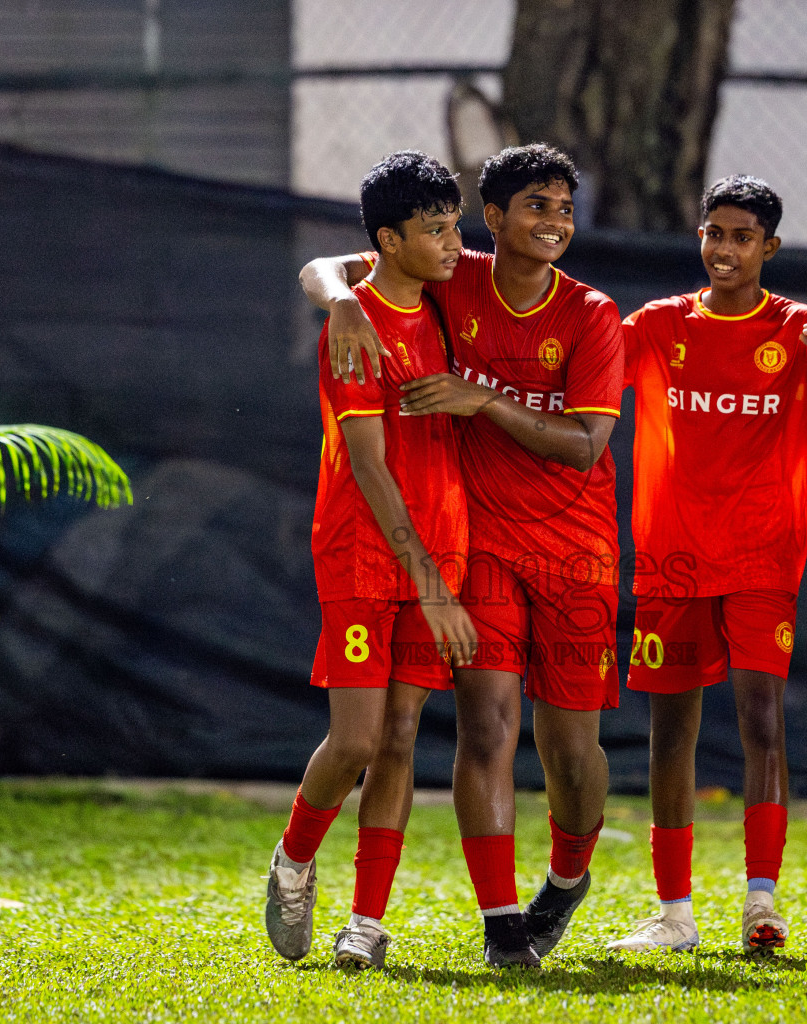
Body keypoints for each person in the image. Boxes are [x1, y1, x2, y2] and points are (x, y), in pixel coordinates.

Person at [299, 144, 624, 968]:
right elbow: (336, 260)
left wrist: (487, 400)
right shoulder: (456, 275)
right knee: (481, 727)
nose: (553, 223)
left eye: (563, 209)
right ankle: (501, 922)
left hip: (577, 552)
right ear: (496, 220)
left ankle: (569, 873)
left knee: (573, 753)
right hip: (474, 548)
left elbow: (587, 448)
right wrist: (340, 301)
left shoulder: (590, 314)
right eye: (536, 207)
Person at [603, 175, 807, 955]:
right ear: (700, 238)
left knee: (762, 722)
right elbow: (585, 386)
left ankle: (761, 901)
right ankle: (674, 912)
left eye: (742, 236)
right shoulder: (658, 325)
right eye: (714, 233)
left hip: (763, 555)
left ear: (771, 247)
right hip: (672, 554)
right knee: (671, 733)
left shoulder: (798, 330)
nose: (725, 249)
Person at [265, 151, 476, 971]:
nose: (454, 243)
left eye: (455, 224)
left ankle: (366, 921)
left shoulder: (451, 299)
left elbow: (327, 266)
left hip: (445, 546)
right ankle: (292, 857)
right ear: (389, 241)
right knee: (354, 741)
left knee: (400, 738)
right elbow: (369, 467)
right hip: (364, 549)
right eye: (436, 229)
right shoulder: (352, 329)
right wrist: (433, 590)